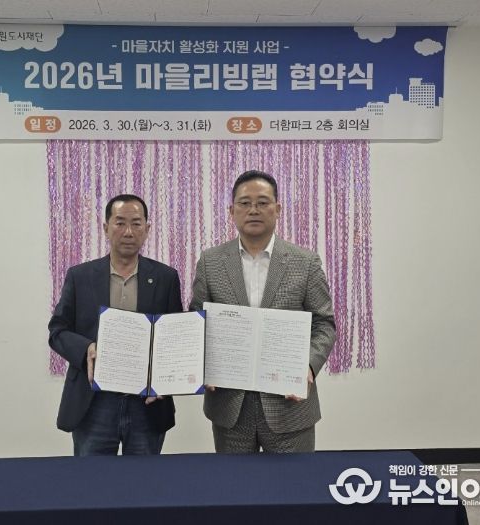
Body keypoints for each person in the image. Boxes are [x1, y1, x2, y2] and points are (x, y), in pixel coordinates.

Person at [190, 170, 336, 453]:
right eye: (245, 203)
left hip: (289, 408)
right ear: (231, 211)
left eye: (263, 202)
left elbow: (324, 324)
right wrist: (202, 363)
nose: (253, 210)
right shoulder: (211, 262)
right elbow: (197, 321)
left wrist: (308, 366)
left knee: (293, 482)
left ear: (277, 209)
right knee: (235, 482)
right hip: (230, 408)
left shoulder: (305, 262)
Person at [49, 194, 182, 456]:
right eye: (120, 223)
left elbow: (175, 336)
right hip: (94, 402)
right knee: (92, 479)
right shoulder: (80, 276)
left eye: (136, 223)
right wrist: (87, 349)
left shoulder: (166, 277)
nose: (128, 232)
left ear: (147, 229)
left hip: (147, 404)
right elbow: (58, 331)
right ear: (106, 228)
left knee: (144, 479)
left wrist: (167, 380)